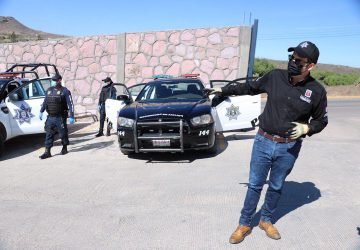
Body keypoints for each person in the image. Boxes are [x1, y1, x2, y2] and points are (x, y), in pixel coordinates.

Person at [208, 41, 328, 243]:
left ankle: (266, 220)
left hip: (289, 147)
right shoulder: (275, 76)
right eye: (292, 57)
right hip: (263, 141)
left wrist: (307, 128)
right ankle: (245, 223)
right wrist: (224, 90)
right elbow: (249, 86)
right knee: (255, 184)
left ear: (311, 66)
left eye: (299, 60)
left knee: (276, 185)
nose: (293, 62)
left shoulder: (316, 91)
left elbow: (321, 120)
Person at [39, 74, 75, 159]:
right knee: (49, 133)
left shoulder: (65, 91)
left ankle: (64, 147)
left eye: (55, 80)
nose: (53, 82)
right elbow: (45, 102)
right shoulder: (48, 90)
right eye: (52, 80)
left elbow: (70, 104)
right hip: (50, 117)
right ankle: (47, 152)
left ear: (59, 80)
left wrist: (72, 116)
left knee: (63, 134)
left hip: (60, 117)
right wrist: (41, 111)